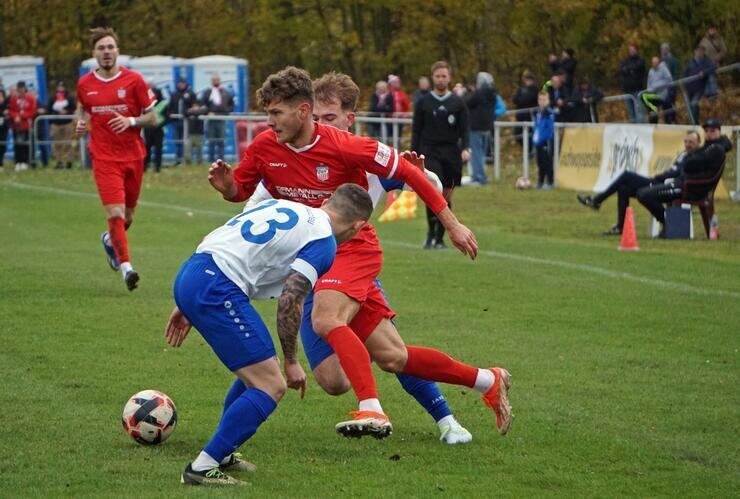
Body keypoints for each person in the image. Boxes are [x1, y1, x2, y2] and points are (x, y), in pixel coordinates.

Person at [209, 66, 511, 442]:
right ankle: (487, 380)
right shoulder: (268, 149)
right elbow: (247, 201)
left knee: (326, 318)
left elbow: (420, 178)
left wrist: (451, 223)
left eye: (328, 116)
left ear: (341, 118)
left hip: (353, 251)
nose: (269, 122)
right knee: (382, 360)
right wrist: (228, 189)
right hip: (310, 264)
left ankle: (378, 410)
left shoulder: (352, 148)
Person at [167, 184, 374, 486]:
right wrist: (292, 361)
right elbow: (291, 298)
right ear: (358, 226)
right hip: (216, 286)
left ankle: (225, 453)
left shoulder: (288, 206)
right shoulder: (324, 242)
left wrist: (188, 296)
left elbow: (222, 237)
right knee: (271, 384)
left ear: (328, 201)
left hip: (196, 269)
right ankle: (202, 467)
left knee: (259, 366)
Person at [75, 27, 158, 291]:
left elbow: (152, 118)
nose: (106, 52)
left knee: (128, 217)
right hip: (103, 158)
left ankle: (110, 241)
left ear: (117, 51)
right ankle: (127, 269)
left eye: (110, 47)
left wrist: (131, 120)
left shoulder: (134, 81)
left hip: (133, 156)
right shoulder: (85, 84)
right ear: (94, 54)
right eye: (101, 48)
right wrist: (80, 124)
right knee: (116, 212)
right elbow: (83, 112)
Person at [577, 130, 701, 235]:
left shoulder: (696, 157)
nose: (687, 144)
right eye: (686, 141)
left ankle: (597, 200)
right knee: (623, 188)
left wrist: (660, 177)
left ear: (698, 143)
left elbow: (677, 174)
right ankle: (620, 226)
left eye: (691, 142)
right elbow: (672, 170)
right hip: (660, 181)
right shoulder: (684, 154)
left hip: (666, 185)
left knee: (627, 175)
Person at [412, 61, 470, 249]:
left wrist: (465, 148)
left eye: (444, 76)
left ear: (449, 78)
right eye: (438, 76)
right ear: (433, 78)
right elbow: (416, 130)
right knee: (433, 192)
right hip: (430, 151)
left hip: (451, 152)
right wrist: (413, 154)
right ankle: (431, 234)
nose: (441, 79)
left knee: (446, 196)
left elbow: (465, 129)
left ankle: (440, 237)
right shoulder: (423, 102)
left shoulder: (458, 102)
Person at [634, 120, 731, 231]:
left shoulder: (716, 149)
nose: (709, 133)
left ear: (719, 132)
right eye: (707, 131)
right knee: (642, 192)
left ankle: (669, 225)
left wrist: (690, 164)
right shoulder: (708, 148)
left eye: (712, 131)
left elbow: (689, 165)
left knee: (644, 194)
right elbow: (690, 164)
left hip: (689, 188)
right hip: (683, 183)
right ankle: (669, 225)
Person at [465, 72, 495, 185]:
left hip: (476, 127)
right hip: (487, 128)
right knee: (481, 154)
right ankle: (481, 176)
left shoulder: (479, 94)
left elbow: (467, 102)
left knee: (476, 154)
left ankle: (479, 178)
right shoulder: (492, 94)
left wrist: (464, 93)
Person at [201, 74, 234, 162]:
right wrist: (208, 112)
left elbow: (231, 106)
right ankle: (211, 161)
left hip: (221, 119)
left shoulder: (225, 92)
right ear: (211, 81)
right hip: (211, 120)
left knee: (221, 141)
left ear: (220, 81)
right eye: (214, 80)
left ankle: (221, 161)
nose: (216, 81)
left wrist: (225, 112)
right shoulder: (207, 92)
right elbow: (202, 105)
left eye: (217, 80)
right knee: (211, 141)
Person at [167, 78, 197, 165]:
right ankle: (178, 159)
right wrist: (170, 115)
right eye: (180, 83)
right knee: (178, 141)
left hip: (187, 122)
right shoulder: (174, 94)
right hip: (176, 121)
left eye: (183, 83)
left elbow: (195, 106)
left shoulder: (191, 93)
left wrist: (188, 112)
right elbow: (170, 106)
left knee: (186, 141)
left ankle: (186, 159)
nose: (181, 85)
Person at [8, 81, 37, 171]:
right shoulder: (13, 98)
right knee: (17, 144)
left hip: (26, 125)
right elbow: (11, 110)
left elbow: (32, 111)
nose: (21, 90)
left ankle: (25, 161)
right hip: (16, 125)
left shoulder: (30, 98)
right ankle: (18, 162)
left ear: (25, 89)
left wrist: (21, 116)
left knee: (26, 144)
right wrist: (15, 116)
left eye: (22, 88)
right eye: (19, 89)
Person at [47, 81, 76, 169]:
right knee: (57, 144)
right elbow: (48, 109)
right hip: (56, 124)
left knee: (68, 143)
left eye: (62, 87)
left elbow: (73, 108)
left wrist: (67, 112)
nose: (61, 88)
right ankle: (59, 161)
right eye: (59, 87)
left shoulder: (70, 97)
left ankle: (69, 161)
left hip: (67, 123)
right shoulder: (52, 98)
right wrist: (55, 113)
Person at [684, 46, 715, 125]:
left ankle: (694, 124)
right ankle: (693, 122)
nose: (700, 53)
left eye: (702, 51)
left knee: (694, 104)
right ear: (695, 51)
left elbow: (713, 67)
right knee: (690, 106)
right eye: (698, 51)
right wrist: (685, 84)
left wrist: (704, 73)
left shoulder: (706, 61)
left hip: (699, 88)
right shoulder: (691, 61)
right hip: (690, 88)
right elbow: (686, 73)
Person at [532, 91, 555, 189]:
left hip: (546, 141)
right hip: (538, 142)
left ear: (548, 101)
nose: (542, 101)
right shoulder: (538, 113)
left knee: (547, 162)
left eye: (544, 99)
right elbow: (537, 127)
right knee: (540, 162)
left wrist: (542, 138)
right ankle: (540, 182)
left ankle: (550, 182)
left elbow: (549, 129)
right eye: (540, 99)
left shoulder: (549, 112)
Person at [619, 43, 646, 123]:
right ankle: (633, 129)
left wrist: (629, 69)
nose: (631, 51)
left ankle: (641, 129)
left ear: (636, 50)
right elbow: (621, 69)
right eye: (630, 50)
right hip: (628, 90)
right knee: (631, 112)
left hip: (637, 89)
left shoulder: (640, 60)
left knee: (639, 111)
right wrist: (629, 70)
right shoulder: (625, 60)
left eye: (633, 50)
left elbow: (637, 67)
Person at [698, 23, 726, 98]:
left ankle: (714, 96)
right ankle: (708, 96)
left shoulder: (719, 39)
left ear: (716, 30)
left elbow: (724, 51)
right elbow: (700, 52)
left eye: (713, 29)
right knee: (706, 81)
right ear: (708, 30)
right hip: (705, 65)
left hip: (714, 63)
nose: (712, 31)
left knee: (712, 79)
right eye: (710, 29)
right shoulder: (704, 40)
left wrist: (716, 58)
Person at [144, 81, 166, 173]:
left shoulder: (164, 104)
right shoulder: (146, 105)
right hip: (148, 128)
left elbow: (167, 117)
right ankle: (145, 166)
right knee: (147, 149)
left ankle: (157, 167)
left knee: (158, 149)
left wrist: (159, 124)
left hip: (159, 129)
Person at [643, 56, 673, 124]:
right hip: (653, 93)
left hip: (662, 93)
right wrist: (648, 90)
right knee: (650, 105)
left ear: (659, 63)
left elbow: (669, 79)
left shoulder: (664, 69)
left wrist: (657, 86)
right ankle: (653, 123)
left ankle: (668, 122)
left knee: (666, 109)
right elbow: (649, 82)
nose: (654, 64)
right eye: (653, 63)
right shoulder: (651, 71)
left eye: (656, 63)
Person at [513, 70, 538, 143]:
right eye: (526, 79)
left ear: (533, 80)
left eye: (529, 79)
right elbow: (515, 99)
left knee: (529, 136)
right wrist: (522, 100)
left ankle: (529, 151)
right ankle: (527, 151)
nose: (528, 81)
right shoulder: (521, 89)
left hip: (529, 117)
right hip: (520, 117)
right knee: (518, 136)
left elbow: (529, 99)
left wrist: (521, 100)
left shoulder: (535, 89)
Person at [659, 43, 680, 124]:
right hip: (662, 87)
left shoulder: (673, 60)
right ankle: (667, 121)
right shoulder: (660, 61)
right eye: (662, 49)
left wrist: (671, 84)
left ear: (668, 49)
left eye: (664, 49)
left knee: (671, 103)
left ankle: (672, 119)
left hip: (670, 87)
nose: (663, 51)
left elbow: (676, 73)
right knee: (664, 105)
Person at [388, 74, 410, 138]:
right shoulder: (388, 93)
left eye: (398, 82)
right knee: (389, 136)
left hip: (400, 118)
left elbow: (406, 105)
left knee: (398, 135)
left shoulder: (402, 93)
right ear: (391, 83)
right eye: (396, 82)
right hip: (389, 118)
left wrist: (405, 114)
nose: (398, 84)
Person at [0, 89, 8, 169]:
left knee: (2, 145)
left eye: (1, 95)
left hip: (3, 128)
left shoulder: (6, 104)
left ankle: (1, 162)